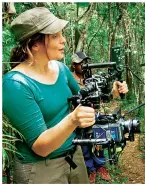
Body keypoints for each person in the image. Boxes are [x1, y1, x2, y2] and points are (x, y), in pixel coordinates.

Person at [2, 7, 95, 184]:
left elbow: (83, 98)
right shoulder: (15, 84)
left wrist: (110, 91)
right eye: (55, 36)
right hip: (41, 168)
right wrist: (72, 119)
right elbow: (41, 147)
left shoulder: (60, 69)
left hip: (74, 157)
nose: (63, 41)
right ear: (34, 44)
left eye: (62, 34)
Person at [71, 52, 128, 183]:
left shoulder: (94, 78)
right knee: (85, 145)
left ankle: (100, 167)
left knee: (100, 141)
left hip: (97, 115)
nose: (84, 65)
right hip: (80, 119)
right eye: (81, 63)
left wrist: (119, 89)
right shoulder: (70, 80)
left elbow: (108, 96)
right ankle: (91, 169)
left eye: (86, 62)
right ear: (74, 65)